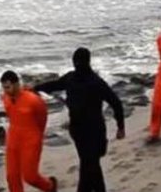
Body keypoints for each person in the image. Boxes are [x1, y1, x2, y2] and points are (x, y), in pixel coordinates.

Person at [34, 48, 125, 192]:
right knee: (90, 164)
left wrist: (35, 89)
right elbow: (116, 103)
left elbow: (54, 85)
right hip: (94, 131)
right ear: (89, 61)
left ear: (73, 62)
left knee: (89, 164)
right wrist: (120, 127)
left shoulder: (71, 78)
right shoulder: (96, 82)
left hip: (79, 130)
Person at [1, 71, 57, 192]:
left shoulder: (33, 100)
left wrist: (37, 135)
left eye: (8, 87)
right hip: (13, 139)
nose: (6, 90)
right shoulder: (5, 98)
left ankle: (50, 186)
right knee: (12, 177)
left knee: (30, 177)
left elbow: (42, 118)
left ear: (16, 84)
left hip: (31, 139)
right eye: (4, 87)